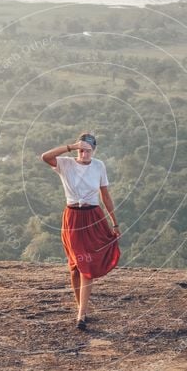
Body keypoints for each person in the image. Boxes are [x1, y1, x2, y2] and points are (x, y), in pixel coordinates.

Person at [41, 132, 120, 330]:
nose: (85, 154)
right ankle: (81, 307)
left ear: (94, 150)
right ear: (78, 149)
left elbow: (106, 196)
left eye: (89, 150)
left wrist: (115, 223)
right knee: (75, 266)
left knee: (87, 263)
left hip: (93, 217)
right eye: (82, 150)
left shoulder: (99, 166)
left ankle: (81, 315)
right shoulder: (66, 164)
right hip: (73, 218)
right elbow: (45, 157)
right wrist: (71, 147)